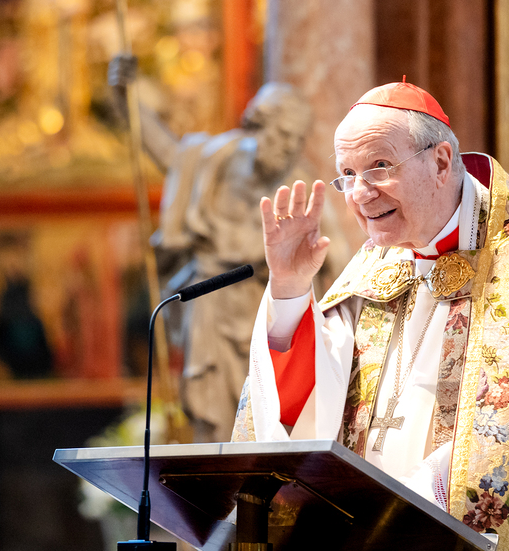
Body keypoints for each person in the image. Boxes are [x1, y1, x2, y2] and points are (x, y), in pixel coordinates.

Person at [231, 81, 509, 550]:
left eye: (379, 167)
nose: (360, 193)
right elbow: (308, 394)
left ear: (439, 162)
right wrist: (290, 288)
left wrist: (404, 502)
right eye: (348, 174)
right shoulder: (377, 258)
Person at [109, 56, 347, 442]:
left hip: (264, 308)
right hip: (210, 302)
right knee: (210, 412)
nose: (288, 148)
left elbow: (336, 254)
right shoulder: (212, 159)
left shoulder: (301, 185)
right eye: (282, 135)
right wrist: (128, 99)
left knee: (265, 409)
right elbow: (166, 153)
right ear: (258, 124)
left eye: (296, 140)